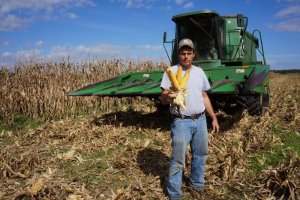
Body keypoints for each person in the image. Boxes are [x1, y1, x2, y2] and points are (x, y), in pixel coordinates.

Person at [160, 38, 220, 200]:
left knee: (200, 154)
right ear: (178, 55)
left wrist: (213, 117)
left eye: (189, 53)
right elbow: (163, 100)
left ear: (193, 55)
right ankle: (174, 194)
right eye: (182, 53)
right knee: (178, 159)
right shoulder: (170, 72)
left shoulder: (199, 72)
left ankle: (197, 185)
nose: (186, 56)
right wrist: (168, 93)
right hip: (180, 121)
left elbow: (204, 95)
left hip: (200, 120)